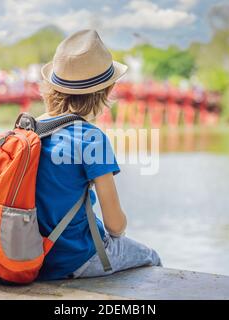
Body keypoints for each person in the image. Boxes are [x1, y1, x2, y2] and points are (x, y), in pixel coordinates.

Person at [35, 30, 162, 281]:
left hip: (28, 256)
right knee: (151, 257)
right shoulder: (90, 137)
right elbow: (115, 224)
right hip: (75, 259)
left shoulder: (30, 129)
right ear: (107, 90)